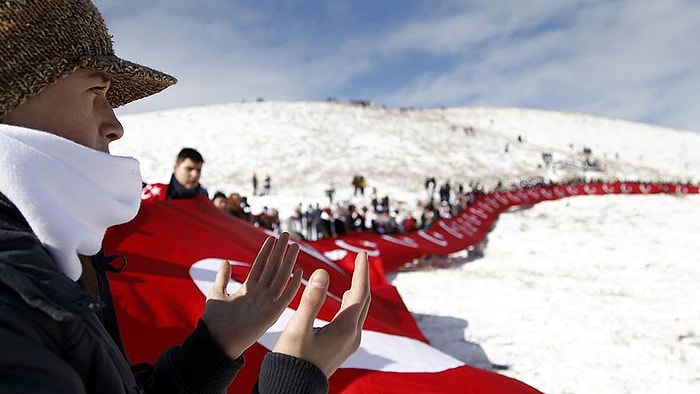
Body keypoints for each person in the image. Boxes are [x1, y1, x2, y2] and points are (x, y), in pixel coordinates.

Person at [0, 1, 370, 393]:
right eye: (95, 90)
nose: (114, 125)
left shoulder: (50, 262)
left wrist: (214, 347)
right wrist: (295, 378)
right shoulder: (12, 302)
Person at [142, 147, 209, 201]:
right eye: (189, 169)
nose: (195, 175)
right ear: (176, 168)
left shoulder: (203, 197)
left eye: (198, 170)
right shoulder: (155, 195)